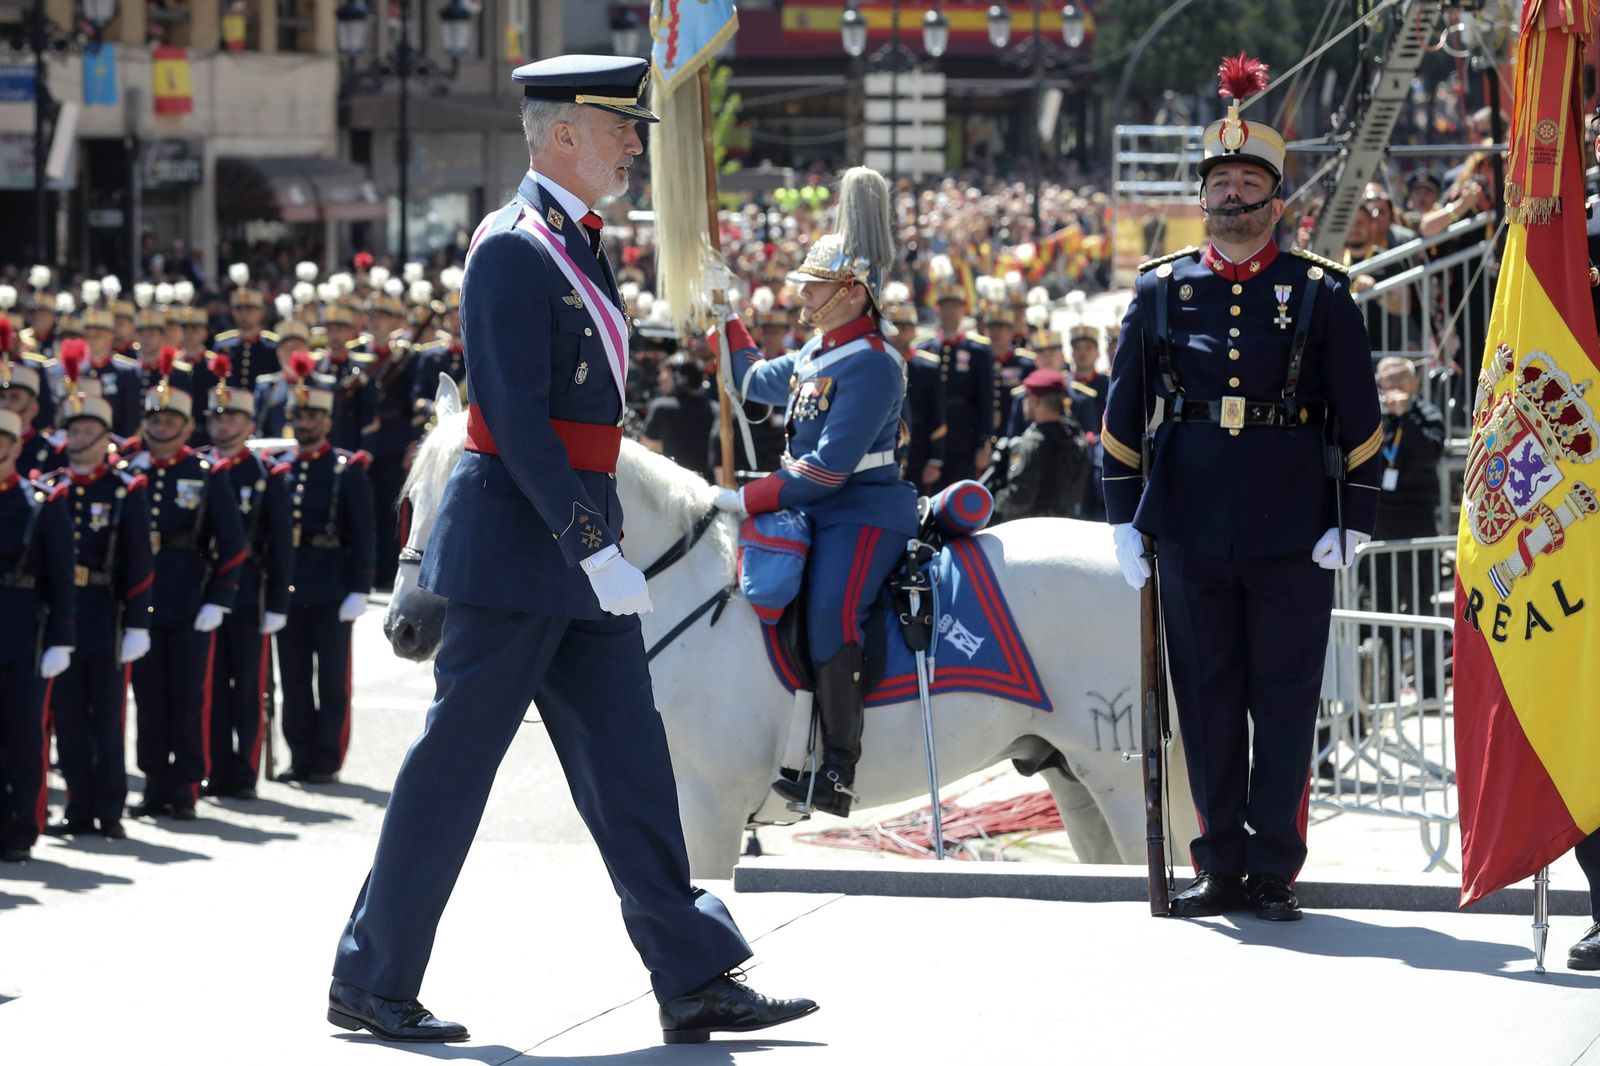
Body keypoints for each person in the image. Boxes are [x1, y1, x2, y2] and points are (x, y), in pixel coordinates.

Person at [329, 55, 814, 1046]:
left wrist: (597, 543)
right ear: (561, 135)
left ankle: (693, 974)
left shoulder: (573, 240)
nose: (634, 143)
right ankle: (370, 977)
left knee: (631, 765)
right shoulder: (514, 246)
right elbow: (513, 416)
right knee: (453, 771)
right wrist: (592, 544)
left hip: (576, 542)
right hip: (521, 548)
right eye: (618, 126)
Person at [1100, 54, 1383, 922]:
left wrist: (1356, 516)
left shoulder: (1320, 293)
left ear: (1276, 203)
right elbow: (1122, 411)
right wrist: (1122, 518)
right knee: (1206, 702)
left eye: (1249, 183)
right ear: (1203, 197)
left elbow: (1361, 414)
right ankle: (1219, 863)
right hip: (1187, 522)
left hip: (1293, 525)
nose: (1232, 195)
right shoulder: (1161, 290)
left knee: (1285, 702)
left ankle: (1272, 869)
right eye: (1219, 183)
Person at [713, 164, 918, 820]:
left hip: (861, 510)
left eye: (815, 285)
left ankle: (838, 768)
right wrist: (725, 312)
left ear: (851, 292)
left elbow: (829, 470)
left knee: (831, 610)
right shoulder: (816, 352)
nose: (802, 294)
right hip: (813, 505)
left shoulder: (874, 362)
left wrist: (746, 500)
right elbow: (751, 381)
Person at [121, 363, 246, 821]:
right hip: (142, 604)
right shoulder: (131, 472)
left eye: (170, 420)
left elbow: (232, 543)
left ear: (188, 426)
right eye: (155, 420)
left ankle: (188, 785)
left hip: (189, 597)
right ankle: (154, 782)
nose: (161, 427)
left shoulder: (206, 472)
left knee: (189, 698)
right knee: (149, 697)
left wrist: (219, 598)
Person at [40, 389, 152, 842]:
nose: (79, 438)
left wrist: (138, 622)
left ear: (106, 438)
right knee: (66, 718)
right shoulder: (52, 489)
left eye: (88, 430)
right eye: (73, 430)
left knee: (106, 718)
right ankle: (77, 806)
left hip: (106, 614)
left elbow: (138, 560)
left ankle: (109, 808)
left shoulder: (125, 490)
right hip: (61, 618)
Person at [271, 377, 373, 784]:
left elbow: (364, 533)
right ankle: (299, 756)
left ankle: (327, 758)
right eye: (298, 416)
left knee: (331, 680)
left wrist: (360, 587)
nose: (304, 423)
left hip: (331, 586)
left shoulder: (345, 469)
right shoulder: (281, 468)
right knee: (293, 679)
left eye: (312, 416)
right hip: (290, 587)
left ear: (327, 422)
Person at [204, 369, 293, 799]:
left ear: (249, 425)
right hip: (205, 592)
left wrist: (278, 601)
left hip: (249, 592)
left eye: (232, 419)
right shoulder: (201, 467)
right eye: (218, 418)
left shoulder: (265, 473)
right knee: (211, 687)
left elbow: (281, 543)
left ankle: (245, 772)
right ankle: (214, 766)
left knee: (247, 687)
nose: (224, 426)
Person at [0, 407, 75, 862]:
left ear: (14, 447)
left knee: (24, 738)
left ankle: (20, 829)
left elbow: (61, 577)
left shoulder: (40, 502)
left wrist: (62, 637)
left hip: (22, 636)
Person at [918, 261, 994, 488]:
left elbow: (986, 400)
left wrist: (983, 444)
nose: (949, 313)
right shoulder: (925, 348)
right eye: (945, 307)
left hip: (964, 434)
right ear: (937, 309)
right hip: (930, 435)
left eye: (955, 307)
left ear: (963, 310)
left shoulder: (978, 350)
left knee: (961, 493)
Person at [991, 368, 1088, 522]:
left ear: (1036, 401)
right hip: (1064, 523)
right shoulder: (1075, 438)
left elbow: (1018, 499)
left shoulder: (1029, 445)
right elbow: (1077, 493)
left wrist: (995, 501)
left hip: (1032, 527)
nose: (1024, 402)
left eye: (1027, 396)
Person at [641, 354, 716, 481]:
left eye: (665, 377)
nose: (661, 381)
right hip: (710, 486)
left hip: (672, 484)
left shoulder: (661, 408)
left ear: (680, 379)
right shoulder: (717, 410)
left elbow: (647, 448)